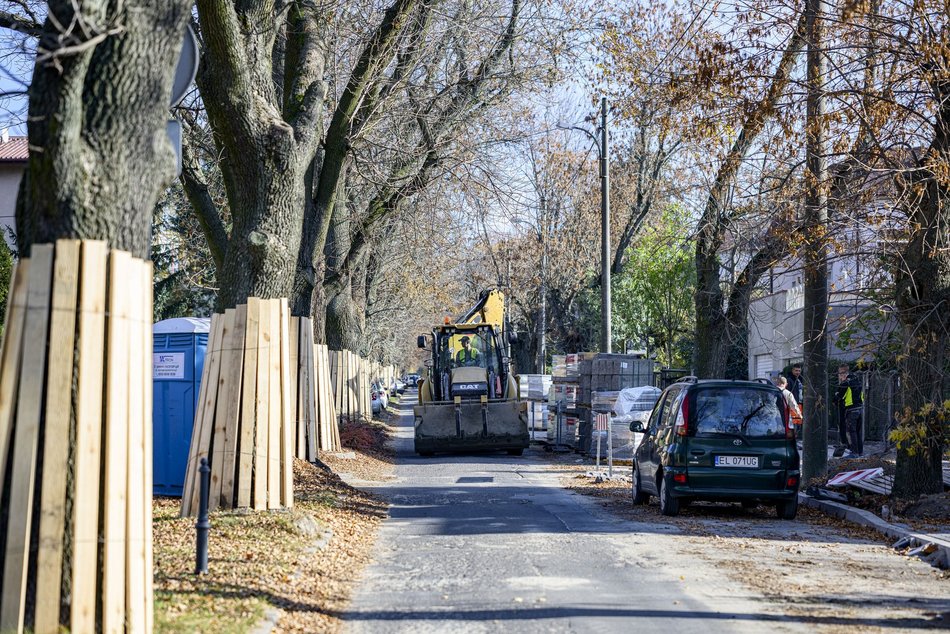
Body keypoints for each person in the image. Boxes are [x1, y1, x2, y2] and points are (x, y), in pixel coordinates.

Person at [833, 364, 864, 457]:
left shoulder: (845, 383)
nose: (839, 376)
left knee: (852, 432)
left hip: (851, 410)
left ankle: (854, 453)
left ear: (843, 373)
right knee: (858, 432)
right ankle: (860, 452)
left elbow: (838, 397)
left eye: (839, 374)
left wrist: (835, 396)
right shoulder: (857, 381)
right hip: (860, 409)